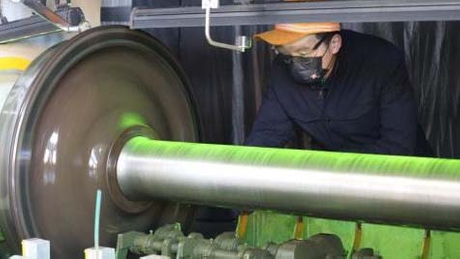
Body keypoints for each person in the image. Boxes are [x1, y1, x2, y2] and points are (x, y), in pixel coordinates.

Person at [245, 23, 432, 156]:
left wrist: (332, 171)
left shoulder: (381, 60)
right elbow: (266, 135)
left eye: (303, 54)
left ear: (334, 44)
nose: (295, 64)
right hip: (335, 186)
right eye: (286, 53)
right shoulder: (282, 72)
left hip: (402, 181)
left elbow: (398, 146)